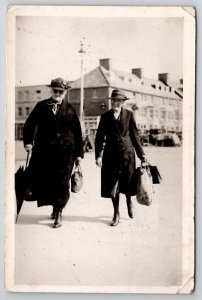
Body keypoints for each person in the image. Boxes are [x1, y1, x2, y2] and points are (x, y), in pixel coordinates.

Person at [23, 78, 83, 228]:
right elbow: (29, 124)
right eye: (55, 90)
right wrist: (28, 142)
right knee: (48, 181)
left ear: (65, 92)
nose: (58, 93)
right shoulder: (41, 106)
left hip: (66, 153)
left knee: (63, 182)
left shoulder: (70, 109)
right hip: (45, 152)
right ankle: (55, 207)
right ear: (51, 91)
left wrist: (79, 155)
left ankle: (59, 212)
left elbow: (77, 132)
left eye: (60, 91)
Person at [95, 89, 147, 226]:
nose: (116, 103)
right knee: (113, 186)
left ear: (123, 102)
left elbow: (135, 136)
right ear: (111, 101)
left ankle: (129, 201)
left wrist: (142, 155)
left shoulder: (129, 115)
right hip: (111, 156)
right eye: (114, 100)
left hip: (127, 155)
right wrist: (98, 156)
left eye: (119, 101)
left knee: (128, 182)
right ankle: (116, 213)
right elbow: (99, 138)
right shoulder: (105, 117)